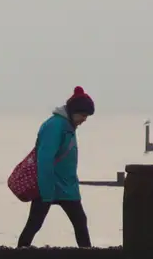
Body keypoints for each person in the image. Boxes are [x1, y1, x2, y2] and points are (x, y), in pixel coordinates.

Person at [18, 87, 95, 248]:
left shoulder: (68, 126)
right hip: (49, 186)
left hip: (67, 188)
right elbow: (45, 160)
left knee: (80, 222)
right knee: (34, 224)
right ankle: (19, 255)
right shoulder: (55, 126)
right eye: (83, 115)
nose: (84, 119)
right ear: (74, 111)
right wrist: (46, 191)